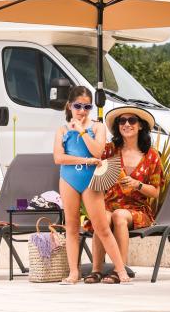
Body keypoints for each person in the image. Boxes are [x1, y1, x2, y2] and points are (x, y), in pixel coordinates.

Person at [53, 86, 131, 284]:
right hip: (68, 179)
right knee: (71, 227)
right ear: (69, 106)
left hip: (90, 180)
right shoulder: (62, 130)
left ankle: (120, 269)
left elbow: (97, 152)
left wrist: (82, 132)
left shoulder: (97, 127)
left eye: (87, 107)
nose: (82, 111)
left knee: (101, 227)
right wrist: (85, 161)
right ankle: (73, 272)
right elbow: (58, 158)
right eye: (78, 106)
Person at [85, 106, 163, 284]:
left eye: (132, 120)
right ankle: (96, 270)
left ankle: (118, 269)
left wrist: (137, 184)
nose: (126, 124)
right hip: (110, 204)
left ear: (140, 126)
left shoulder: (151, 155)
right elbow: (92, 155)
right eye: (122, 121)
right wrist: (90, 129)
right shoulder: (110, 150)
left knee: (119, 216)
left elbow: (155, 192)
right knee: (102, 217)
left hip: (138, 209)